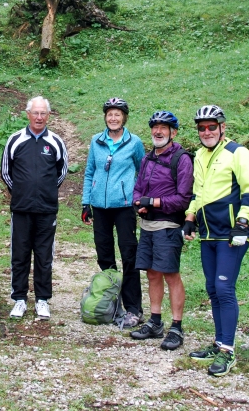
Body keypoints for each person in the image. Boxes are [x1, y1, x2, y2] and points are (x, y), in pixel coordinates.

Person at [182, 105, 249, 376]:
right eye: (202, 128)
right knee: (212, 288)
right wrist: (190, 217)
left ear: (222, 127)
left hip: (230, 235)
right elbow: (197, 192)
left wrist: (243, 223)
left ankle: (227, 350)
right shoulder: (199, 155)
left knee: (224, 288)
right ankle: (218, 343)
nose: (206, 132)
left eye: (211, 127)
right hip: (208, 234)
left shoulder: (238, 152)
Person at [130, 111, 193, 350]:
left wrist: (154, 202)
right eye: (155, 127)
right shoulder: (148, 158)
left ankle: (176, 327)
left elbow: (184, 198)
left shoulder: (181, 159)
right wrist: (139, 203)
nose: (158, 131)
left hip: (168, 226)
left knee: (170, 274)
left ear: (173, 132)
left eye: (163, 128)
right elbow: (138, 188)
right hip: (147, 225)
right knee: (152, 273)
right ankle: (155, 322)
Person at [1, 96, 68, 320]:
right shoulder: (15, 140)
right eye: (35, 113)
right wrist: (21, 191)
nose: (39, 117)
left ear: (48, 115)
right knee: (19, 255)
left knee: (44, 256)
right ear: (28, 114)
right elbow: (6, 172)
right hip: (21, 209)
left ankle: (42, 300)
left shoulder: (56, 141)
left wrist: (46, 190)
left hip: (47, 210)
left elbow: (62, 172)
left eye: (43, 113)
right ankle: (19, 299)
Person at [81, 98, 145, 328]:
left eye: (118, 114)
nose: (113, 118)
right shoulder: (96, 141)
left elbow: (142, 172)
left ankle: (134, 308)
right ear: (105, 117)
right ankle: (110, 302)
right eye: (110, 114)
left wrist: (138, 198)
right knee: (104, 254)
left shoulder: (134, 142)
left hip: (125, 206)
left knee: (129, 255)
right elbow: (90, 172)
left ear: (124, 117)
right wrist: (86, 202)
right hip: (100, 206)